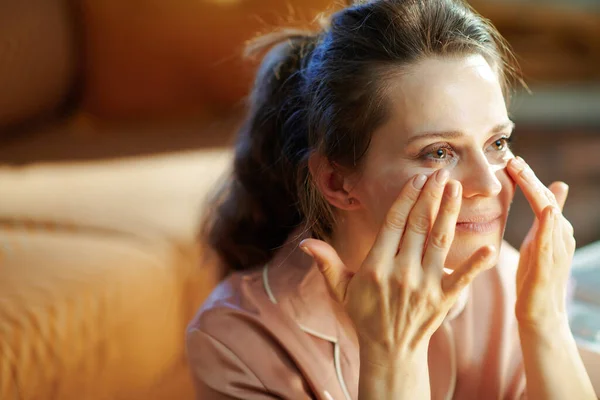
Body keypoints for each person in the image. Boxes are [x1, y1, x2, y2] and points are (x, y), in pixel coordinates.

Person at [186, 0, 596, 398]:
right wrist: (391, 356)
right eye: (439, 152)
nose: (489, 185)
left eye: (497, 142)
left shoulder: (507, 280)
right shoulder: (238, 343)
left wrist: (545, 322)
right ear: (337, 182)